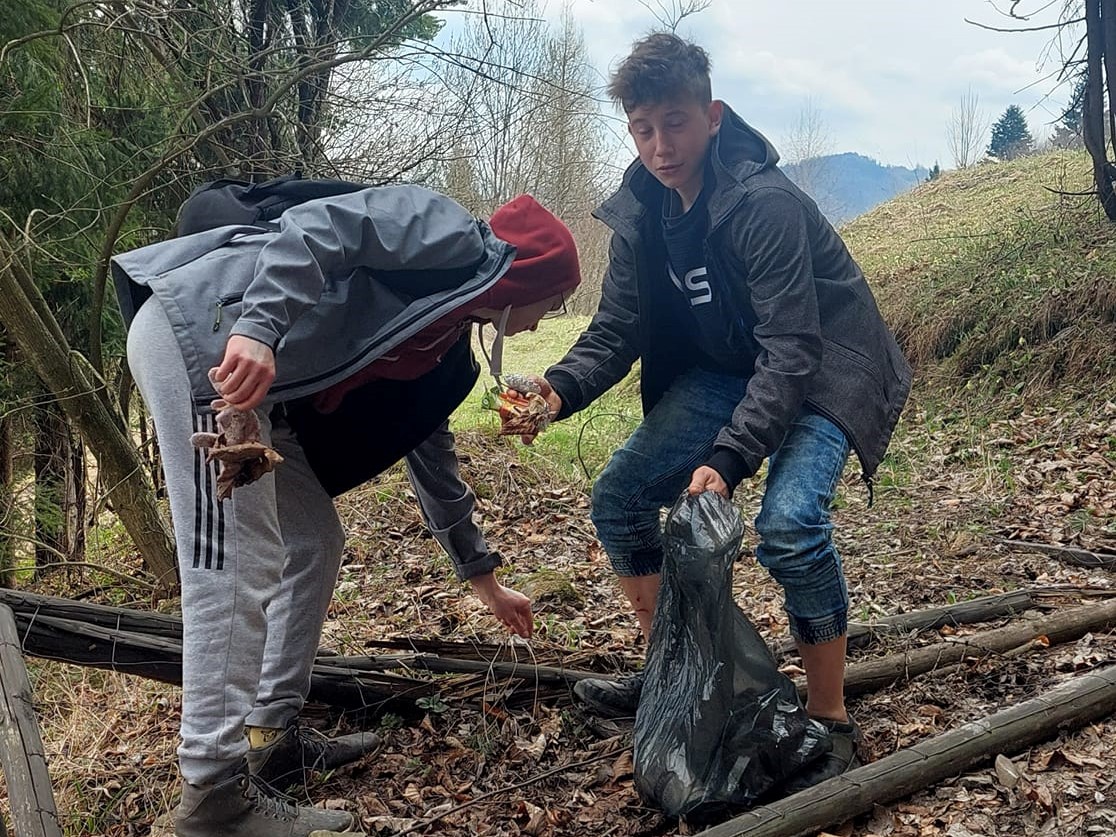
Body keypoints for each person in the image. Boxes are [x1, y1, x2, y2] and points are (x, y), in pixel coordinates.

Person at [111, 187, 581, 836]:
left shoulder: (445, 345)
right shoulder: (451, 234)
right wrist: (258, 326)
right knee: (233, 564)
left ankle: (268, 737)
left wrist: (483, 578)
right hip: (213, 349)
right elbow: (322, 225)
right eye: (553, 301)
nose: (544, 318)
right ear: (532, 273)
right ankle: (214, 799)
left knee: (315, 540)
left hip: (257, 395)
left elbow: (432, 457)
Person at [512, 32, 911, 791]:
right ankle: (677, 676)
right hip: (728, 367)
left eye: (675, 123)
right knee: (620, 498)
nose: (661, 146)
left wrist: (728, 458)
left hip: (826, 365)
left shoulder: (764, 205)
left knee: (791, 526)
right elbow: (617, 327)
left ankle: (830, 720)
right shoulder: (639, 211)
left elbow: (792, 349)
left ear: (713, 115)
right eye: (643, 129)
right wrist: (558, 388)